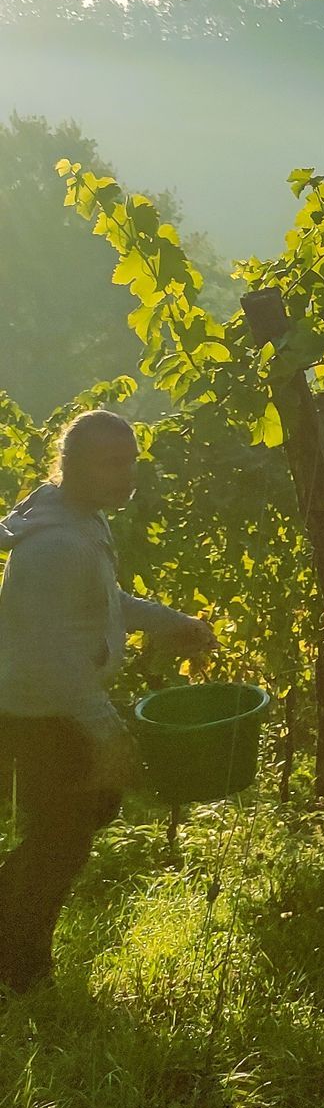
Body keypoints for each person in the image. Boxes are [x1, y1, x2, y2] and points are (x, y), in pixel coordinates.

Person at [0, 410, 215, 993]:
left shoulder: (80, 520)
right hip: (40, 712)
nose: (126, 475)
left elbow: (104, 599)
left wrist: (172, 623)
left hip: (52, 707)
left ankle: (19, 957)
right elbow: (54, 663)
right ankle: (25, 974)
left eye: (131, 462)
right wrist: (106, 732)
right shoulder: (54, 547)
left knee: (70, 828)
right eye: (110, 462)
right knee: (61, 840)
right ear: (71, 467)